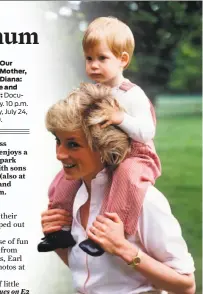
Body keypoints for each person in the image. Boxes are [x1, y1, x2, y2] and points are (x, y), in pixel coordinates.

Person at [41, 83, 195, 294]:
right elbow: (93, 278)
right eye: (58, 141)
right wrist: (57, 240)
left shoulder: (144, 200)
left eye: (73, 144)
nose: (59, 154)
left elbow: (186, 286)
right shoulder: (73, 195)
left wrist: (123, 248)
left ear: (103, 146)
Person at [38, 16, 161, 256]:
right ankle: (59, 228)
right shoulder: (96, 91)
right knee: (66, 177)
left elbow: (147, 133)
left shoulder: (132, 94)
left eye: (102, 58)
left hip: (137, 155)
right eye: (89, 58)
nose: (93, 65)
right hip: (104, 152)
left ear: (122, 60)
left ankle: (108, 234)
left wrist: (120, 118)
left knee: (127, 176)